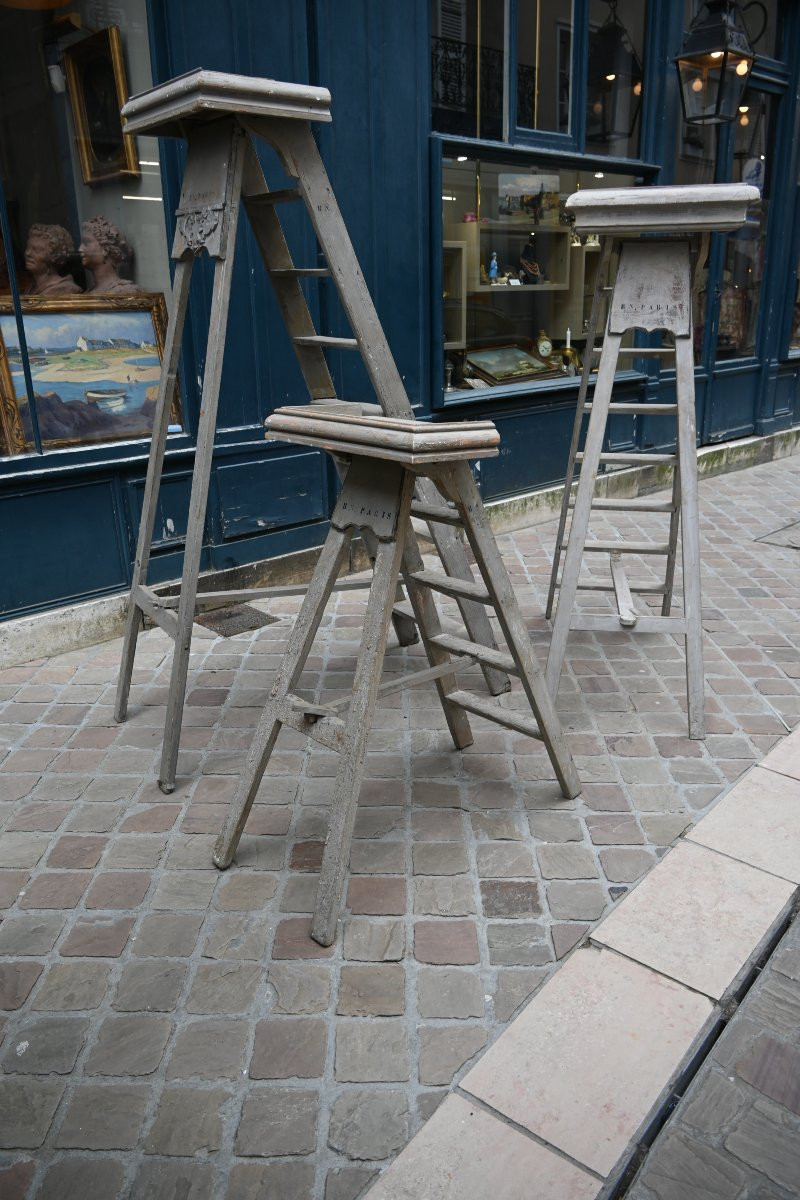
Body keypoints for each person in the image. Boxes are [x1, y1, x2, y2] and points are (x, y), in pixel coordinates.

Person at [80, 216, 140, 294]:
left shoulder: (124, 292)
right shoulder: (89, 293)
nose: (80, 249)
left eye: (86, 242)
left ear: (105, 248)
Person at [24, 224, 82, 295]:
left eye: (36, 250)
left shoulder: (65, 289)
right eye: (28, 248)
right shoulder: (31, 289)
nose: (28, 253)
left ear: (54, 257)